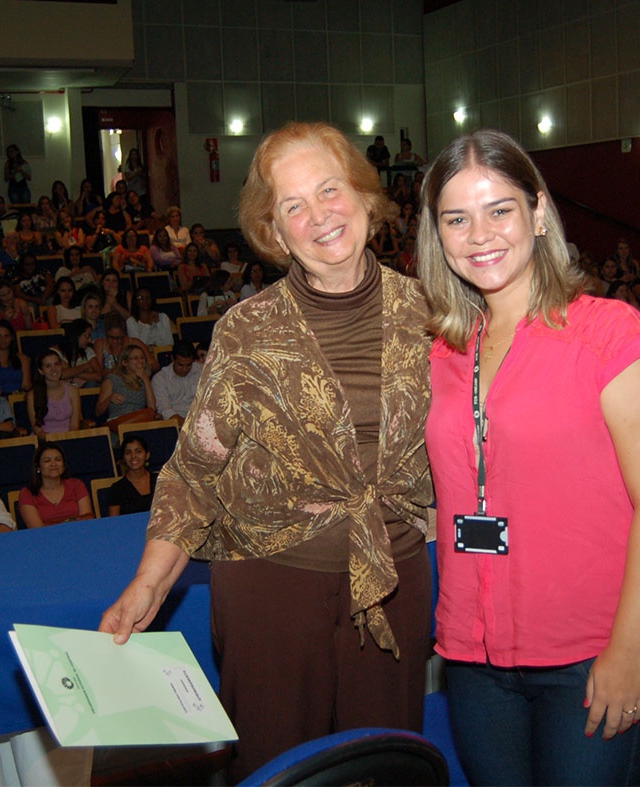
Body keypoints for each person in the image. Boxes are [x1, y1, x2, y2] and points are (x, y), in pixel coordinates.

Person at [99, 122, 435, 781]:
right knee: (278, 768)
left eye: (330, 190)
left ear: (366, 198)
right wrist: (150, 581)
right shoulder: (246, 330)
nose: (319, 216)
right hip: (270, 591)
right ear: (275, 233)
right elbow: (197, 470)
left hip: (392, 581)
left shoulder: (430, 312)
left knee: (384, 767)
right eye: (293, 205)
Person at [416, 129, 640, 785]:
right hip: (473, 656)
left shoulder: (609, 334)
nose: (479, 234)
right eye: (456, 217)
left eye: (498, 209)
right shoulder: (443, 351)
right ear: (437, 234)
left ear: (536, 213)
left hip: (588, 653)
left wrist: (627, 648)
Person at [18, 442, 92, 528]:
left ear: (64, 465)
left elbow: (87, 520)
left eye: (58, 459)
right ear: (38, 467)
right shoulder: (27, 493)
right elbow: (37, 530)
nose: (53, 464)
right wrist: (69, 522)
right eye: (47, 461)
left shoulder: (77, 485)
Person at [95, 344, 155, 429]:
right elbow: (98, 412)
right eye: (135, 358)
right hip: (119, 423)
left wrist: (145, 379)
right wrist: (109, 398)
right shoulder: (112, 379)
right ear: (124, 362)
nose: (140, 361)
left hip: (140, 423)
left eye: (142, 357)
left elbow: (152, 408)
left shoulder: (145, 381)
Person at [28, 349, 84, 437]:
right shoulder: (32, 395)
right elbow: (37, 430)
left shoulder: (73, 391)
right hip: (45, 441)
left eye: (56, 364)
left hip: (68, 438)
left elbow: (74, 426)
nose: (54, 369)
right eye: (48, 366)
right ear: (40, 371)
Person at [151, 341, 202, 421]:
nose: (185, 369)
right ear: (173, 359)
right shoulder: (160, 379)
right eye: (180, 365)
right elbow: (165, 410)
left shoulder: (202, 371)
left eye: (189, 365)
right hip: (176, 422)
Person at [108, 435, 157, 516]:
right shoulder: (117, 489)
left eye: (138, 451)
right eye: (128, 453)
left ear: (147, 455)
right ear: (123, 458)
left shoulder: (161, 480)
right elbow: (113, 523)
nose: (133, 456)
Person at [0, 320, 31, 395]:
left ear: (12, 337)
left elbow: (26, 385)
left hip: (19, 398)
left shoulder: (23, 359)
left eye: (6, 336)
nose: (2, 340)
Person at [54, 318, 101, 386]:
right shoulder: (58, 351)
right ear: (76, 335)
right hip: (64, 390)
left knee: (92, 384)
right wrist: (86, 366)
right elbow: (62, 374)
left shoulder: (88, 350)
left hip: (84, 387)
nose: (90, 340)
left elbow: (99, 376)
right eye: (86, 336)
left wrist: (73, 374)